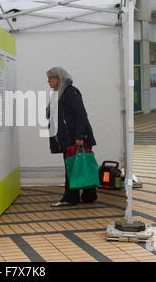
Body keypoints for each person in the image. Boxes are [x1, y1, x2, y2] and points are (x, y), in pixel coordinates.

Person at [46, 67, 97, 207]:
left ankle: (70, 198)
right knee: (80, 165)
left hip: (76, 138)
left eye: (50, 78)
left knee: (73, 166)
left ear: (58, 78)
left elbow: (81, 115)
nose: (48, 81)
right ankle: (89, 195)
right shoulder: (59, 93)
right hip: (69, 138)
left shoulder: (70, 92)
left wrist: (79, 136)